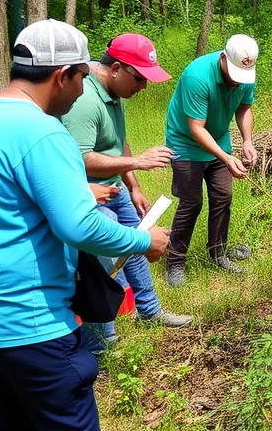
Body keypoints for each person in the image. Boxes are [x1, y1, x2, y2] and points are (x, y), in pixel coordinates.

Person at [0, 19, 170, 430]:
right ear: (62, 76)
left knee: (16, 418)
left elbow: (7, 198)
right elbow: (80, 227)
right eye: (81, 78)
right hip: (23, 318)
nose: (82, 90)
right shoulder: (43, 131)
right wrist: (142, 240)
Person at [61, 33, 192, 354]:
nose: (143, 87)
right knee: (103, 262)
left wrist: (133, 185)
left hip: (115, 189)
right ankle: (102, 340)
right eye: (140, 78)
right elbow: (80, 158)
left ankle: (149, 311)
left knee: (136, 246)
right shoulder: (85, 100)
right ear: (117, 68)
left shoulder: (113, 91)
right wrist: (137, 162)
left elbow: (118, 143)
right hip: (90, 195)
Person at [164, 34, 258, 285]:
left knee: (223, 196)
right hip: (186, 143)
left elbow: (244, 107)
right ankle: (175, 262)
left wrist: (247, 141)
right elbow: (196, 128)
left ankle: (218, 253)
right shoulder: (197, 77)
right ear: (223, 58)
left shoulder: (246, 72)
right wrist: (227, 157)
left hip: (219, 138)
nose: (238, 81)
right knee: (191, 202)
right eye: (234, 75)